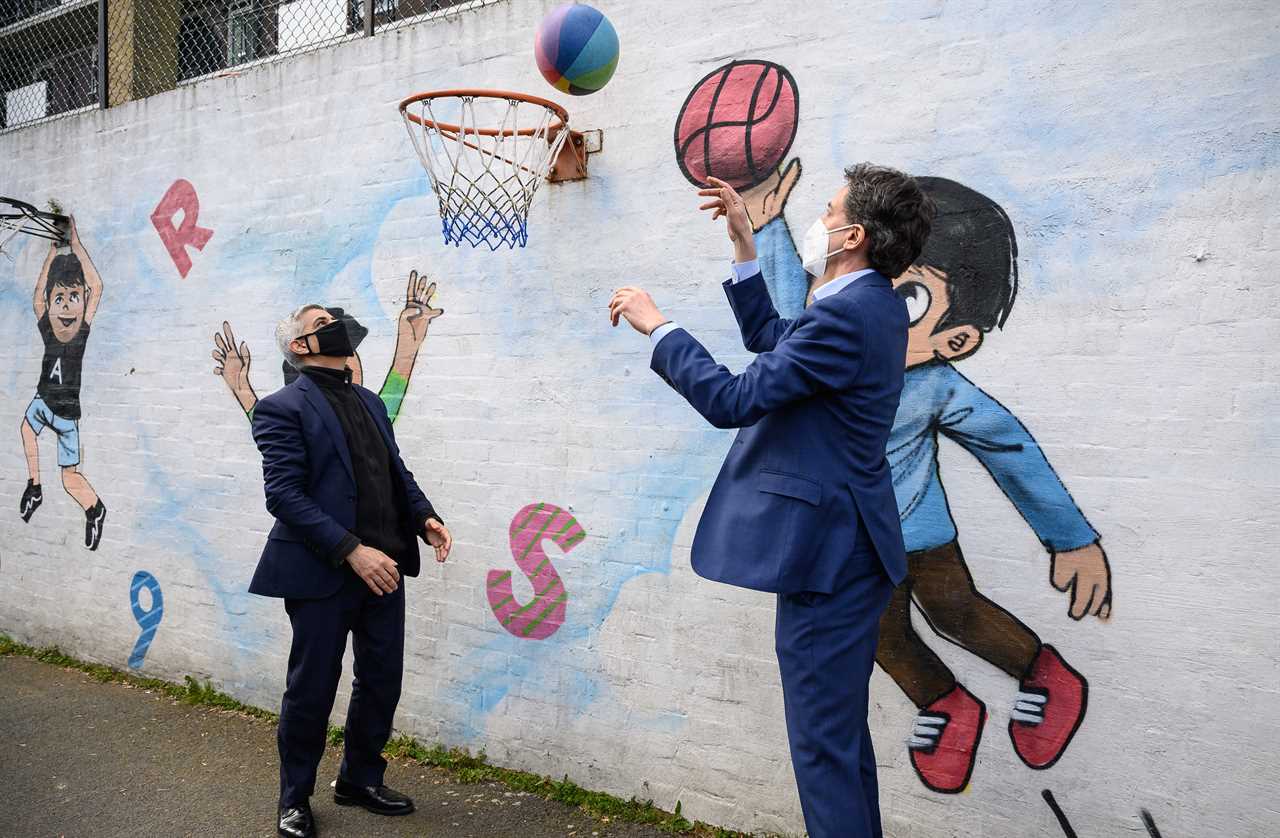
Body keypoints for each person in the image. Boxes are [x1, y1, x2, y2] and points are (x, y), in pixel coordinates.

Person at [750, 173, 1112, 793]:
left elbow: (1009, 447)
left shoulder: (934, 385)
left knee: (955, 612)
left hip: (919, 533)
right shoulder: (832, 345)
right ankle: (947, 704)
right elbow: (792, 313)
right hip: (857, 542)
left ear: (956, 339)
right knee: (882, 635)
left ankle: (1044, 674)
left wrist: (1070, 538)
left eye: (908, 297)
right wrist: (765, 227)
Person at [609, 164, 935, 838]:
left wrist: (660, 327)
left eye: (827, 209)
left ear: (853, 234)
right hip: (851, 554)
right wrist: (743, 245)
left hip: (830, 562)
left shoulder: (847, 317)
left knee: (821, 748)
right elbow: (772, 341)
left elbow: (732, 400)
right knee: (838, 745)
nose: (817, 218)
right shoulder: (865, 306)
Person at [249, 304, 453, 838]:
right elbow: (284, 495)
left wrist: (424, 515)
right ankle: (294, 798)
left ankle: (360, 779)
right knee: (312, 687)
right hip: (324, 572)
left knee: (382, 680)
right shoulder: (279, 407)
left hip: (386, 567)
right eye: (319, 323)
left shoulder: (368, 402)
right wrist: (351, 550)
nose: (334, 325)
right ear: (300, 347)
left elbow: (394, 470)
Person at [19, 217, 107, 550]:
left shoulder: (80, 335)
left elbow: (97, 287)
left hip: (67, 415)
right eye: (60, 299)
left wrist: (77, 244)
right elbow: (38, 299)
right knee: (27, 430)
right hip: (43, 402)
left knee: (69, 477)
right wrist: (52, 253)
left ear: (83, 299)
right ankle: (34, 486)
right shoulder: (48, 329)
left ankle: (94, 508)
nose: (66, 305)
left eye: (74, 297)